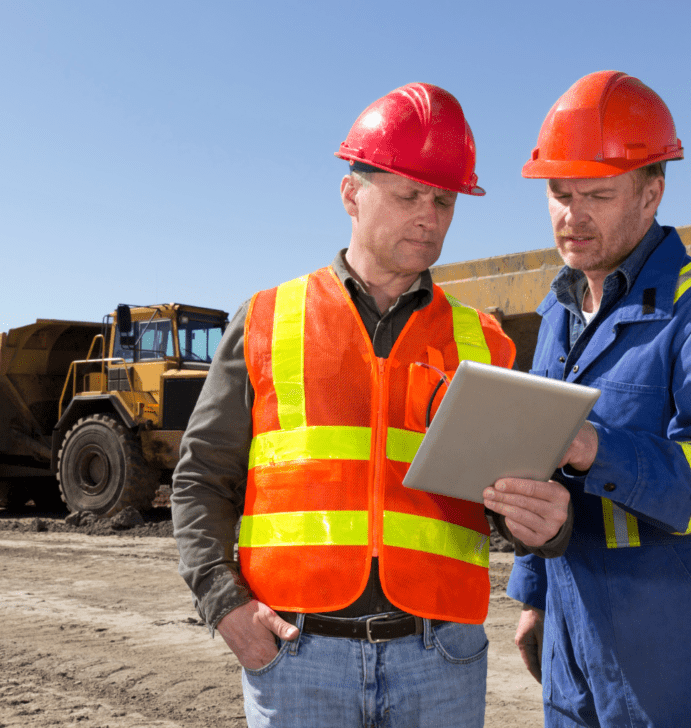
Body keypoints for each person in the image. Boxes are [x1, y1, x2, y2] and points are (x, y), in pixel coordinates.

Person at [171, 82, 572, 728]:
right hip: (297, 657)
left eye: (443, 199)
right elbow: (199, 481)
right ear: (350, 193)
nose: (429, 215)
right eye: (409, 193)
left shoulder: (483, 342)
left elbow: (512, 508)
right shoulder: (269, 320)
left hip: (440, 657)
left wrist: (549, 526)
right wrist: (224, 606)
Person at [502, 70, 691, 726]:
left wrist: (595, 446)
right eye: (559, 194)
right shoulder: (556, 313)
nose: (572, 216)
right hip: (574, 648)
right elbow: (535, 468)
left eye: (597, 194)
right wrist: (533, 595)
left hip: (684, 662)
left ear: (651, 195)